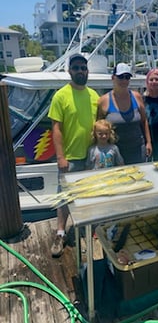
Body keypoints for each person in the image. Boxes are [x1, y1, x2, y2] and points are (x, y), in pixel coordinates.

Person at [48, 53, 99, 257]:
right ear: (70, 71)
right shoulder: (61, 95)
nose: (80, 71)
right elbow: (56, 129)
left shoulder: (94, 95)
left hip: (92, 157)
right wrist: (60, 157)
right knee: (65, 199)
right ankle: (60, 233)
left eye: (83, 68)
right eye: (76, 68)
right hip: (70, 157)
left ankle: (88, 229)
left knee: (89, 195)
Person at [97, 63, 152, 164]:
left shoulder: (137, 96)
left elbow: (144, 121)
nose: (124, 80)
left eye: (127, 77)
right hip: (113, 152)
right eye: (121, 77)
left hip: (138, 150)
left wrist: (148, 142)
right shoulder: (103, 101)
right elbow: (99, 126)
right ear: (113, 77)